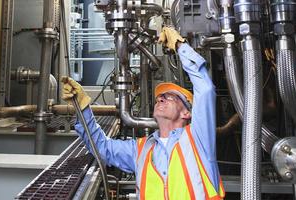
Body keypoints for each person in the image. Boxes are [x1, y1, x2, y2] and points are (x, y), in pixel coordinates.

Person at [61, 27, 225, 200]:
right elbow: (102, 148)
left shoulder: (198, 139)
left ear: (186, 113)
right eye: (160, 97)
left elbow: (205, 89)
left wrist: (180, 47)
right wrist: (83, 107)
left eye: (171, 97)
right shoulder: (140, 149)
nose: (161, 98)